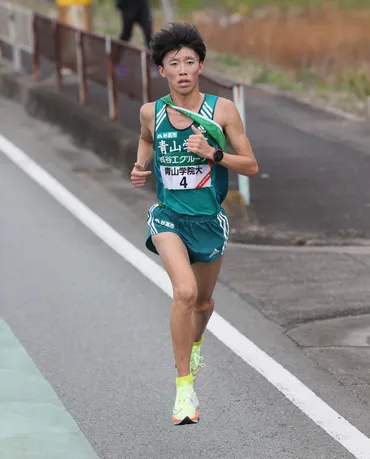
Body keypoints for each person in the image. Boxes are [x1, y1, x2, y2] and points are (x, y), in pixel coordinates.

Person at [131, 22, 258, 426]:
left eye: (190, 61)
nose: (182, 69)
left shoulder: (220, 111)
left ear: (201, 67)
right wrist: (140, 165)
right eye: (174, 63)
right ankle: (184, 389)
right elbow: (147, 138)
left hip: (209, 221)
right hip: (168, 217)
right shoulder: (151, 112)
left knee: (202, 303)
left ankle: (197, 339)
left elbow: (251, 165)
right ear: (161, 71)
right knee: (183, 293)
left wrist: (212, 153)